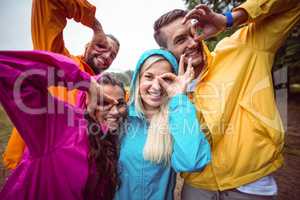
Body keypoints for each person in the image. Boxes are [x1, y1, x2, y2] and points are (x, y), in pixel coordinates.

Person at [153, 0, 300, 199]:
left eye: (193, 31)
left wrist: (228, 19)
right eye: (180, 40)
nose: (193, 42)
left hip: (251, 185)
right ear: (167, 52)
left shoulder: (243, 48)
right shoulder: (164, 90)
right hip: (196, 186)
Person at [3, 0, 120, 170]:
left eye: (113, 55)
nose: (107, 56)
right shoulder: (60, 59)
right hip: (35, 163)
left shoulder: (107, 87)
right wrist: (96, 27)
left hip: (76, 170)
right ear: (88, 46)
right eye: (102, 46)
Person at [0, 50, 126, 200]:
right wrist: (84, 80)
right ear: (87, 101)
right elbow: (5, 65)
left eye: (120, 103)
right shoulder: (58, 126)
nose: (116, 111)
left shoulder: (113, 139)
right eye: (104, 102)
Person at [114, 49, 211, 200]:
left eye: (165, 79)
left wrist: (178, 98)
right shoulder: (121, 118)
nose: (157, 86)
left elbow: (192, 162)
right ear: (138, 79)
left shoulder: (178, 119)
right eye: (149, 77)